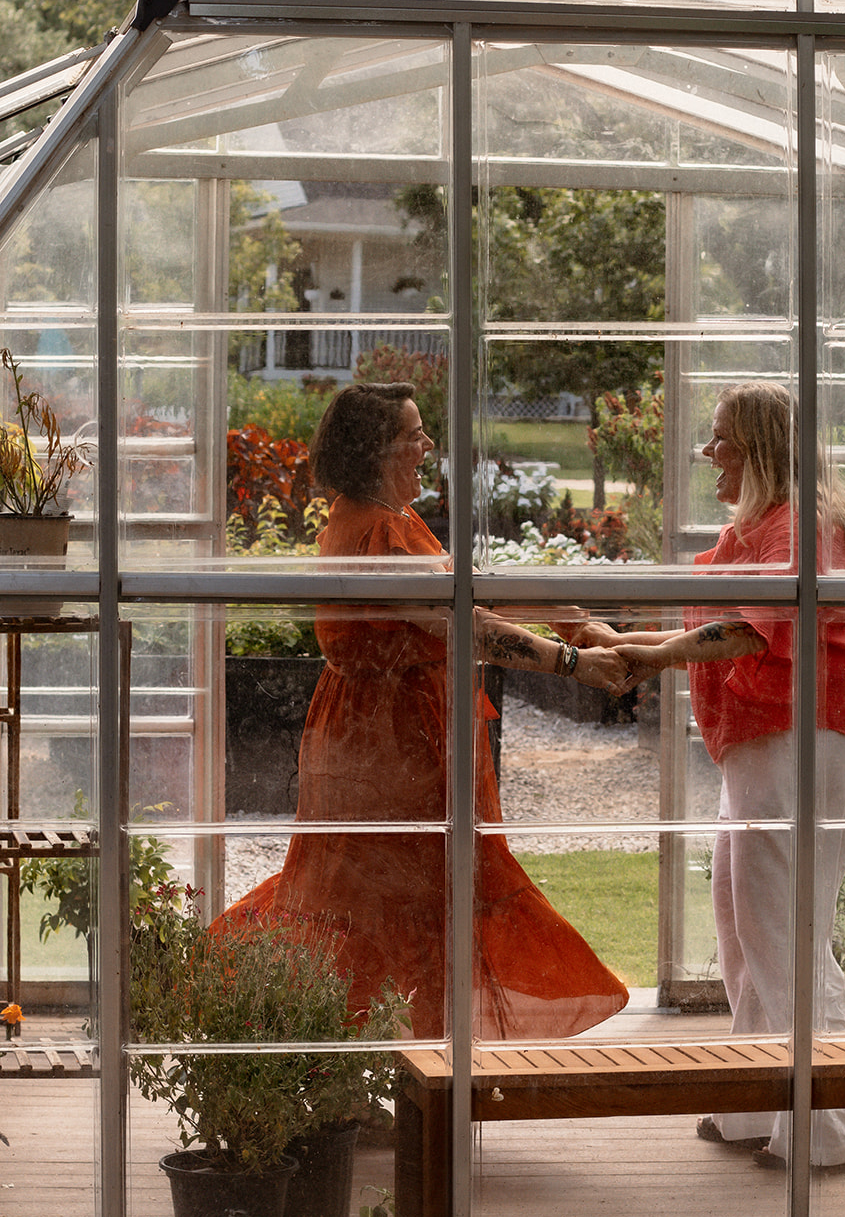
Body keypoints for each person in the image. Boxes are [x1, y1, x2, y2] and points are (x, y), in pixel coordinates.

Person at [217, 382, 629, 1040]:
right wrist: (571, 663)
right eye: (413, 435)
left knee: (391, 905)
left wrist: (567, 618)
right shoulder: (376, 529)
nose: (427, 446)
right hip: (389, 745)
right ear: (375, 449)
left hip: (400, 731)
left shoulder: (382, 516)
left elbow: (460, 597)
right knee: (404, 904)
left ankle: (407, 1079)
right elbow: (459, 624)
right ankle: (416, 1082)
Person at [579, 381, 845, 1169]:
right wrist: (616, 639)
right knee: (744, 922)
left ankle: (829, 1128)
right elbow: (703, 625)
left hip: (807, 738)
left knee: (784, 934)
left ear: (756, 450)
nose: (707, 453)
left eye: (719, 440)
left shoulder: (803, 527)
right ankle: (756, 1103)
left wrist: (643, 655)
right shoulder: (750, 532)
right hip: (768, 743)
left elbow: (743, 634)